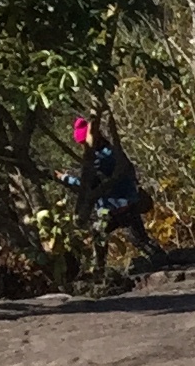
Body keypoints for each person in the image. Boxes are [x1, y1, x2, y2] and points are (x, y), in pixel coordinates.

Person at [65, 118, 164, 275]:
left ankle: (99, 269)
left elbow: (86, 185)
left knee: (122, 237)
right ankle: (159, 259)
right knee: (132, 238)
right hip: (126, 203)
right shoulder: (112, 151)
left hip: (116, 207)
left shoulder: (99, 159)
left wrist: (65, 179)